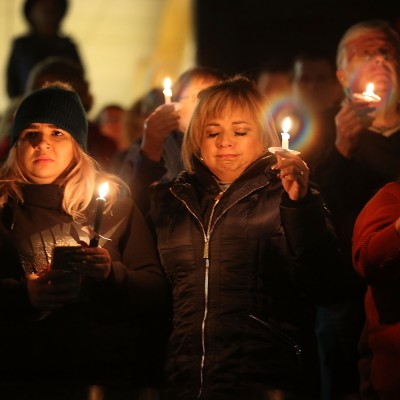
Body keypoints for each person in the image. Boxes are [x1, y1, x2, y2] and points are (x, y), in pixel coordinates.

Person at [148, 76, 343, 400]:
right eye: (213, 133)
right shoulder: (171, 202)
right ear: (196, 139)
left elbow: (324, 281)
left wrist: (300, 208)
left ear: (264, 137)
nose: (226, 142)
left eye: (240, 132)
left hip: (266, 380)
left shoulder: (288, 195)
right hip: (184, 381)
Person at [0, 82, 170, 400]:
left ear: (78, 143)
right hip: (18, 380)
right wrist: (24, 296)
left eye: (58, 133)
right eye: (31, 134)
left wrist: (111, 274)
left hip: (106, 380)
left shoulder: (113, 207)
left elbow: (154, 291)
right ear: (16, 145)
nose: (43, 144)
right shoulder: (2, 207)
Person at [314, 19, 400, 400]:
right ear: (342, 73)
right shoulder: (321, 126)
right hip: (342, 291)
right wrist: (341, 149)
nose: (378, 60)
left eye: (386, 52)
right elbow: (308, 207)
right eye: (364, 54)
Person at [121, 66, 226, 214]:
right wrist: (150, 150)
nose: (205, 105)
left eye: (214, 96)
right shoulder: (153, 147)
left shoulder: (230, 145)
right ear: (175, 104)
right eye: (197, 96)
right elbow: (129, 204)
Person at [5, 0, 83, 99]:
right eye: (43, 9)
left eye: (53, 9)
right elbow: (12, 86)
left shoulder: (68, 46)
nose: (48, 14)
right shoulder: (22, 46)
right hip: (29, 107)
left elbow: (80, 81)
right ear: (31, 13)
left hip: (64, 106)